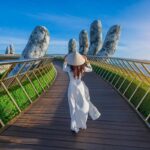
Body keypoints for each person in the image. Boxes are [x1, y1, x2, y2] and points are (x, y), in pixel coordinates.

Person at [63, 51, 101, 133]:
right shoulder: (82, 68)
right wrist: (86, 61)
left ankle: (74, 126)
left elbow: (63, 67)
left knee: (72, 107)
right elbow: (91, 69)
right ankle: (82, 124)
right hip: (80, 88)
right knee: (83, 105)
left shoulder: (69, 69)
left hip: (72, 88)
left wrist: (65, 60)